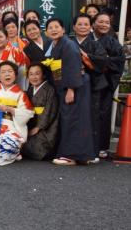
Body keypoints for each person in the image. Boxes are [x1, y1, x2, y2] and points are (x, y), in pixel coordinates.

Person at [45, 18, 96, 165]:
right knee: (77, 119)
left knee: (72, 118)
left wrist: (71, 89)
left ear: (63, 30)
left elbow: (73, 66)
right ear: (46, 32)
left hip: (74, 85)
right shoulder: (55, 45)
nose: (54, 30)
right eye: (50, 27)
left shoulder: (68, 44)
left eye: (57, 27)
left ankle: (70, 155)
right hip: (68, 84)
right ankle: (82, 155)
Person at [72, 14, 110, 156]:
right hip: (73, 85)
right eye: (79, 24)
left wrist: (86, 58)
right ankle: (75, 149)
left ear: (91, 27)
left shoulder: (95, 44)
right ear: (74, 27)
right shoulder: (69, 42)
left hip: (94, 85)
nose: (83, 27)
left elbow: (102, 62)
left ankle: (93, 150)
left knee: (93, 117)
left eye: (86, 24)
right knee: (74, 116)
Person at [0, 61, 34, 166]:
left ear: (15, 75)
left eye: (10, 71)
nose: (7, 74)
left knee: (6, 145)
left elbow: (28, 113)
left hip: (12, 125)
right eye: (3, 72)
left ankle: (13, 151)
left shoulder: (20, 93)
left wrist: (11, 109)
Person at [93, 12, 125, 158]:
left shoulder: (113, 42)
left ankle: (101, 146)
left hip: (105, 83)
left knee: (103, 114)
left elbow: (119, 61)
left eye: (107, 22)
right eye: (101, 21)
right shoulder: (87, 39)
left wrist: (103, 63)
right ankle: (87, 144)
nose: (104, 25)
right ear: (93, 23)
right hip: (88, 82)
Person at [21, 63, 59, 161]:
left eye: (37, 74)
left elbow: (50, 111)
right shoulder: (30, 89)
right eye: (31, 74)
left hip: (46, 127)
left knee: (34, 147)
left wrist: (38, 127)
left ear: (43, 75)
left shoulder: (49, 89)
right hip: (32, 123)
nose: (34, 77)